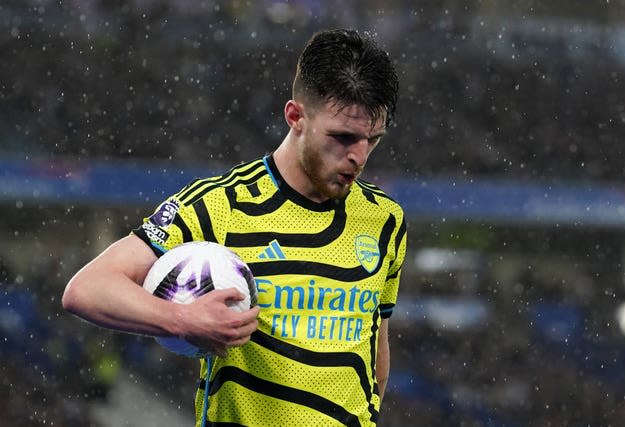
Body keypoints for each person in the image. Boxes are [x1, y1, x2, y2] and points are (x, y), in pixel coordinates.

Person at [62, 28, 407, 427]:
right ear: (295, 116)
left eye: (372, 140)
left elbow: (374, 350)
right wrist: (182, 320)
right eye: (343, 137)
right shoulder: (220, 205)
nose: (358, 157)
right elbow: (86, 289)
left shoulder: (385, 219)